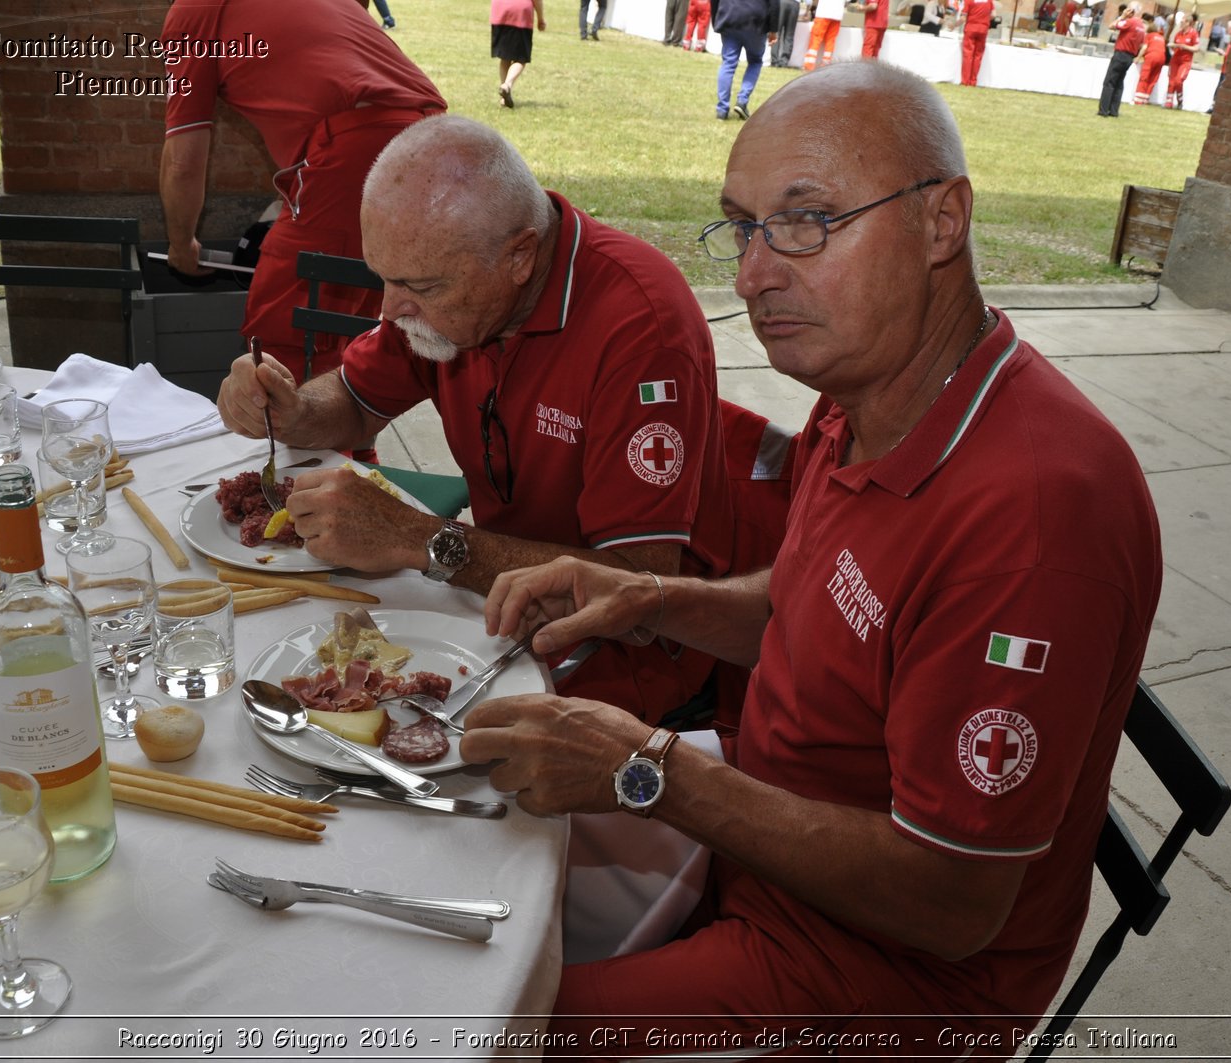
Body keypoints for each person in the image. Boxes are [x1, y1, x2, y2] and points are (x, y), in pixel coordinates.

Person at [461, 61, 1162, 1051]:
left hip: (885, 977)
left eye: (806, 220)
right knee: (448, 832)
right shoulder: (868, 387)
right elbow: (808, 605)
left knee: (474, 1030)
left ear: (941, 221)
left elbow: (951, 906)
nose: (751, 272)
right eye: (742, 226)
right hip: (768, 817)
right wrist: (641, 595)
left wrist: (649, 768)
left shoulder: (1037, 516)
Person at [214, 116, 742, 727]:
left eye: (418, 285)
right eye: (382, 277)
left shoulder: (639, 329)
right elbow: (357, 403)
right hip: (497, 600)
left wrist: (416, 536)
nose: (390, 309)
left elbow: (634, 593)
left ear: (520, 256)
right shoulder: (453, 294)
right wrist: (294, 409)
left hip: (623, 665)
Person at [158, 0, 445, 386]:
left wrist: (180, 245)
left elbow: (182, 162)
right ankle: (354, 444)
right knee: (351, 316)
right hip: (433, 133)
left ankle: (303, 442)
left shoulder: (193, 12)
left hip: (356, 143)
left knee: (284, 330)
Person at [714, 0, 779, 119]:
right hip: (755, 20)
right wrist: (773, 30)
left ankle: (722, 110)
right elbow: (774, 3)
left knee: (728, 63)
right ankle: (742, 101)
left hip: (729, 15)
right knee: (755, 61)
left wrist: (716, 19)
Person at [491, 0, 545, 108]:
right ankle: (507, 85)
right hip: (519, 13)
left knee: (504, 56)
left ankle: (504, 98)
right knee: (521, 59)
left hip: (500, 10)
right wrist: (541, 18)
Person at [1097, 0, 1144, 116]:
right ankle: (1114, 110)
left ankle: (1103, 109)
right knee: (1119, 83)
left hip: (1121, 53)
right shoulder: (1141, 26)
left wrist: (1122, 16)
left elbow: (1112, 26)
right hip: (1130, 56)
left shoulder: (1130, 22)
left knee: (1110, 82)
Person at [1165, 11, 1201, 108]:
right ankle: (1168, 102)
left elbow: (1196, 48)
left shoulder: (1193, 33)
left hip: (1185, 61)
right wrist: (1172, 46)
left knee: (1178, 81)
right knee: (1171, 80)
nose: (1181, 23)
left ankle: (1180, 100)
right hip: (1175, 59)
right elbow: (1174, 45)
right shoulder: (1179, 33)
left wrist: (1184, 46)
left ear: (1188, 23)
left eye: (1182, 22)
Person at [958, 0, 995, 85]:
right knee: (978, 55)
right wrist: (984, 19)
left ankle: (965, 81)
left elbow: (963, 18)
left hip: (971, 28)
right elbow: (993, 14)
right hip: (983, 29)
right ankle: (973, 81)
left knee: (968, 54)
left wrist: (955, 25)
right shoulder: (989, 1)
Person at [1133, 12, 1167, 104]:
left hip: (1151, 56)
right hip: (1162, 58)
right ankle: (1146, 99)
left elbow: (1144, 48)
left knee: (1145, 76)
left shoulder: (1149, 36)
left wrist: (1138, 57)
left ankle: (1138, 100)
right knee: (1153, 78)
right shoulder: (1161, 37)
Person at [800, 0, 843, 69]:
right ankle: (826, 65)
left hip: (824, 12)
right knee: (830, 40)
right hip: (837, 14)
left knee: (816, 38)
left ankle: (809, 65)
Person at [770, 0, 800, 64]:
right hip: (794, 3)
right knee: (789, 34)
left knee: (776, 32)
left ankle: (774, 60)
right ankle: (784, 61)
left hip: (781, 2)